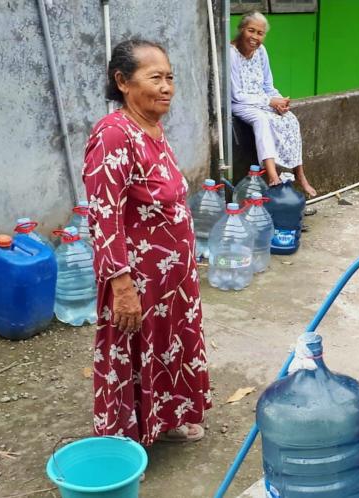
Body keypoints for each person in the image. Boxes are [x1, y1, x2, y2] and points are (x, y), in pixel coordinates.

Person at [83, 39, 211, 445]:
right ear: (122, 81)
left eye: (170, 77)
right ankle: (123, 443)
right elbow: (104, 215)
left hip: (171, 281)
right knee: (130, 355)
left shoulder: (152, 129)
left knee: (170, 347)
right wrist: (121, 285)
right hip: (136, 281)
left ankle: (169, 417)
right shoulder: (113, 135)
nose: (166, 86)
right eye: (155, 78)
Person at [231, 11, 317, 197]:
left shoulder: (261, 52)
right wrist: (269, 101)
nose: (254, 37)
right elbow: (237, 95)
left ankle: (300, 175)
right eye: (250, 31)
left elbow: (268, 86)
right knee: (262, 120)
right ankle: (272, 176)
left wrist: (280, 102)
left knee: (290, 119)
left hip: (263, 100)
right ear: (241, 30)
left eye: (260, 33)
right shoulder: (232, 54)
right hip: (241, 104)